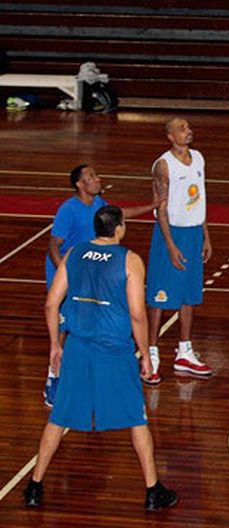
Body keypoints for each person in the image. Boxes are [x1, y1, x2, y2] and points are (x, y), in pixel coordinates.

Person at [24, 205, 178, 512]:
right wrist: (146, 354)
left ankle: (34, 487)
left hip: (78, 348)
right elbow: (137, 315)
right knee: (137, 419)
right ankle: (152, 491)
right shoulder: (130, 260)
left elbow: (51, 303)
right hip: (114, 351)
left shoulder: (74, 253)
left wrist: (55, 345)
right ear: (119, 228)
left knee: (58, 418)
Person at [43, 164, 162, 406]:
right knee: (63, 327)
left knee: (86, 322)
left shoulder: (99, 204)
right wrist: (67, 274)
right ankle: (53, 378)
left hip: (89, 272)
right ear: (80, 184)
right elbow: (54, 245)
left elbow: (119, 213)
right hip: (69, 272)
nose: (98, 179)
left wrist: (152, 206)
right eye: (92, 176)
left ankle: (86, 375)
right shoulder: (68, 210)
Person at [146, 117, 213, 385]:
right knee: (159, 297)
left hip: (194, 233)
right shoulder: (163, 165)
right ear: (170, 137)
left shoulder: (199, 158)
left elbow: (200, 198)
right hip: (171, 235)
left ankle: (184, 352)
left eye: (189, 127)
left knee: (189, 294)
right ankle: (151, 355)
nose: (189, 131)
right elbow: (161, 208)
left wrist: (206, 236)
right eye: (182, 129)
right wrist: (170, 244)